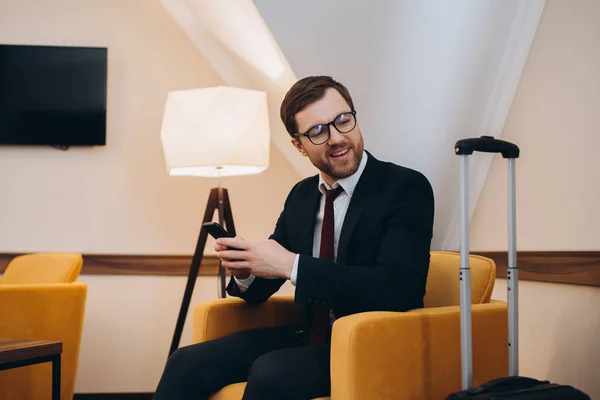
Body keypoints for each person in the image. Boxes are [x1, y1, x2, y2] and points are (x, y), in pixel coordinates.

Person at [153, 76, 435, 400]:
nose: (337, 138)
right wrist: (246, 273)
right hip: (308, 335)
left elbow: (398, 290)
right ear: (299, 145)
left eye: (343, 121)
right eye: (318, 131)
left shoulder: (405, 188)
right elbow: (266, 282)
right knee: (184, 362)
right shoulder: (302, 196)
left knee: (272, 372)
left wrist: (291, 264)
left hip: (370, 342)